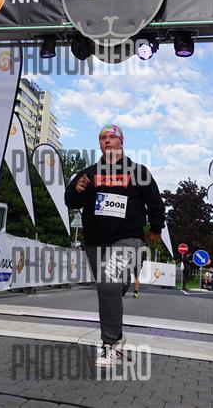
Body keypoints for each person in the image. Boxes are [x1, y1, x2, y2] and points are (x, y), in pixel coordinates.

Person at [65, 124, 164, 367]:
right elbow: (71, 201)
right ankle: (117, 332)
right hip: (95, 241)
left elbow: (155, 202)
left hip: (128, 237)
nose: (107, 141)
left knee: (108, 282)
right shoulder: (88, 173)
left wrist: (156, 228)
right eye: (102, 138)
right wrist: (76, 190)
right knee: (106, 287)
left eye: (111, 137)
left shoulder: (138, 172)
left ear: (121, 141)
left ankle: (109, 344)